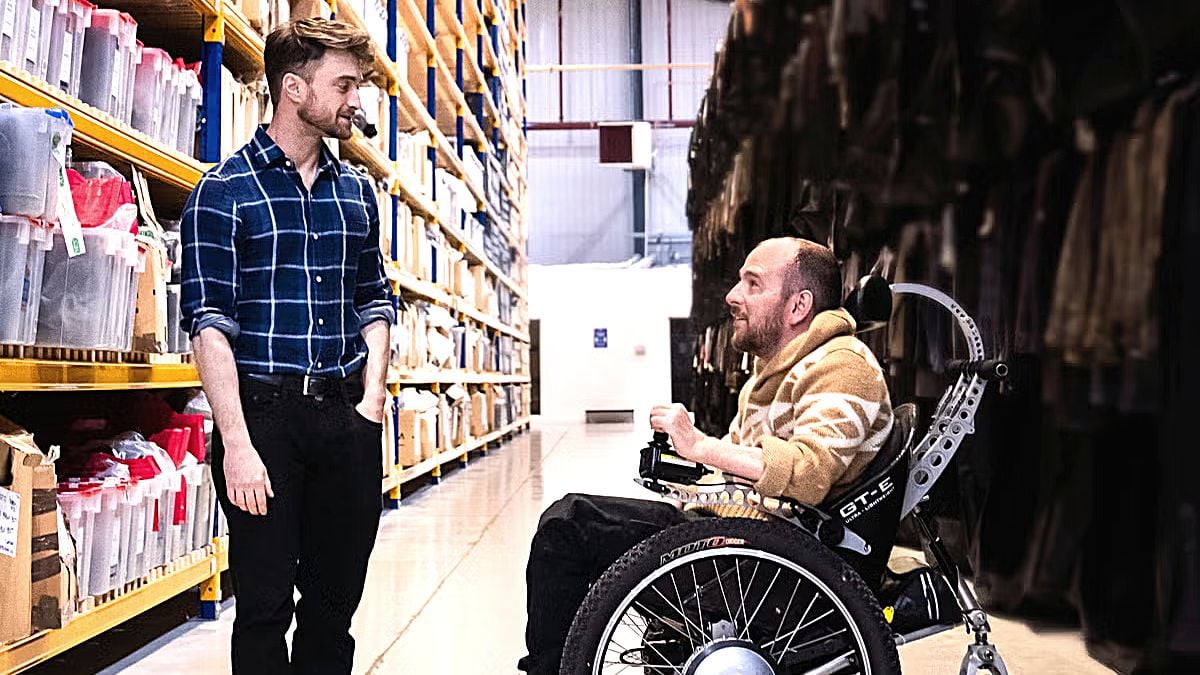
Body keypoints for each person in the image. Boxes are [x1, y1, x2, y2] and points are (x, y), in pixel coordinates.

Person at [518, 237, 894, 674]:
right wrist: (692, 479)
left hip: (768, 566)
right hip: (743, 540)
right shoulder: (775, 371)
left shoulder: (841, 365)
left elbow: (809, 473)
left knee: (568, 526)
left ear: (798, 306)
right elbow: (742, 469)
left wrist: (701, 445)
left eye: (753, 284)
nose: (734, 297)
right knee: (578, 525)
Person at [179, 18, 393, 675]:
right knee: (266, 604)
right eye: (345, 84)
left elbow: (374, 300)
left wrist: (372, 403)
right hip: (263, 419)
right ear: (294, 88)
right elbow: (210, 324)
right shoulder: (223, 193)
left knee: (334, 607)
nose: (356, 100)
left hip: (344, 418)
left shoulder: (357, 193)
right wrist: (236, 443)